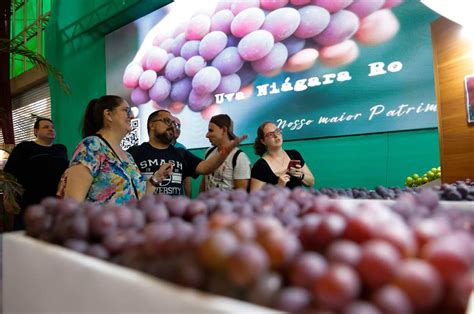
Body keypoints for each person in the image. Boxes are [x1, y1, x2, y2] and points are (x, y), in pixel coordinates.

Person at [60, 95, 172, 204]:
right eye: (126, 111)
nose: (132, 116)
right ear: (108, 114)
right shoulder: (91, 146)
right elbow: (72, 204)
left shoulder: (128, 156)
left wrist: (157, 177)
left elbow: (138, 197)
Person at [128, 109, 246, 196]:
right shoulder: (134, 153)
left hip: (176, 220)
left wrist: (224, 151)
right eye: (167, 121)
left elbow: (206, 168)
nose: (172, 126)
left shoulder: (181, 153)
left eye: (174, 124)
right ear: (152, 125)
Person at [4, 118, 69, 230]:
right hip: (29, 205)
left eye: (52, 127)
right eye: (46, 127)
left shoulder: (61, 149)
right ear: (36, 131)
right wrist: (8, 198)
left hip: (55, 206)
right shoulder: (24, 148)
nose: (51, 129)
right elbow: (9, 174)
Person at [250, 121, 315, 191]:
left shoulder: (294, 154)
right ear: (263, 141)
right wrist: (278, 186)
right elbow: (255, 198)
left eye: (277, 131)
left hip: (299, 200)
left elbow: (311, 182)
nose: (276, 135)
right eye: (270, 134)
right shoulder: (260, 166)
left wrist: (301, 176)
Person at [200, 114, 251, 192]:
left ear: (224, 130)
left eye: (211, 130)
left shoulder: (240, 157)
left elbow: (241, 196)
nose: (207, 135)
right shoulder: (208, 152)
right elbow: (203, 187)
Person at [170, 115, 192, 197]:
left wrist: (188, 199)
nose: (177, 128)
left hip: (178, 200)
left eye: (178, 126)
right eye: (173, 125)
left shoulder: (182, 149)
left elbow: (187, 179)